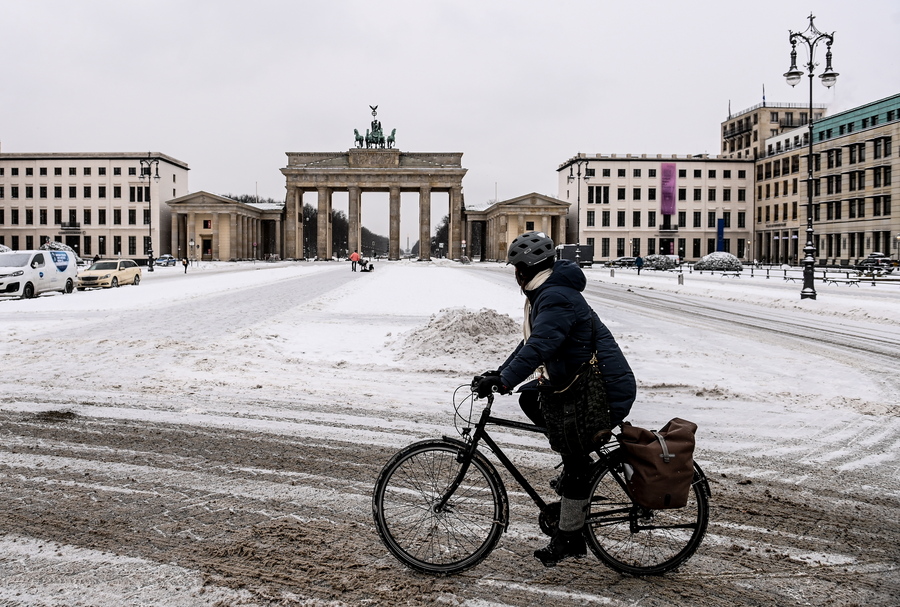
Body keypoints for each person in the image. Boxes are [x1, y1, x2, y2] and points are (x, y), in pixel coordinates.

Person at [472, 231, 636, 567]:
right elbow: (532, 343)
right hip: (579, 385)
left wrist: (505, 379)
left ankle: (570, 537)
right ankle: (579, 466)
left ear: (526, 269)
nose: (515, 275)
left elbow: (541, 346)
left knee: (575, 462)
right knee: (530, 398)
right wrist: (500, 373)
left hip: (602, 391)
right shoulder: (546, 293)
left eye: (516, 268)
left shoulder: (556, 296)